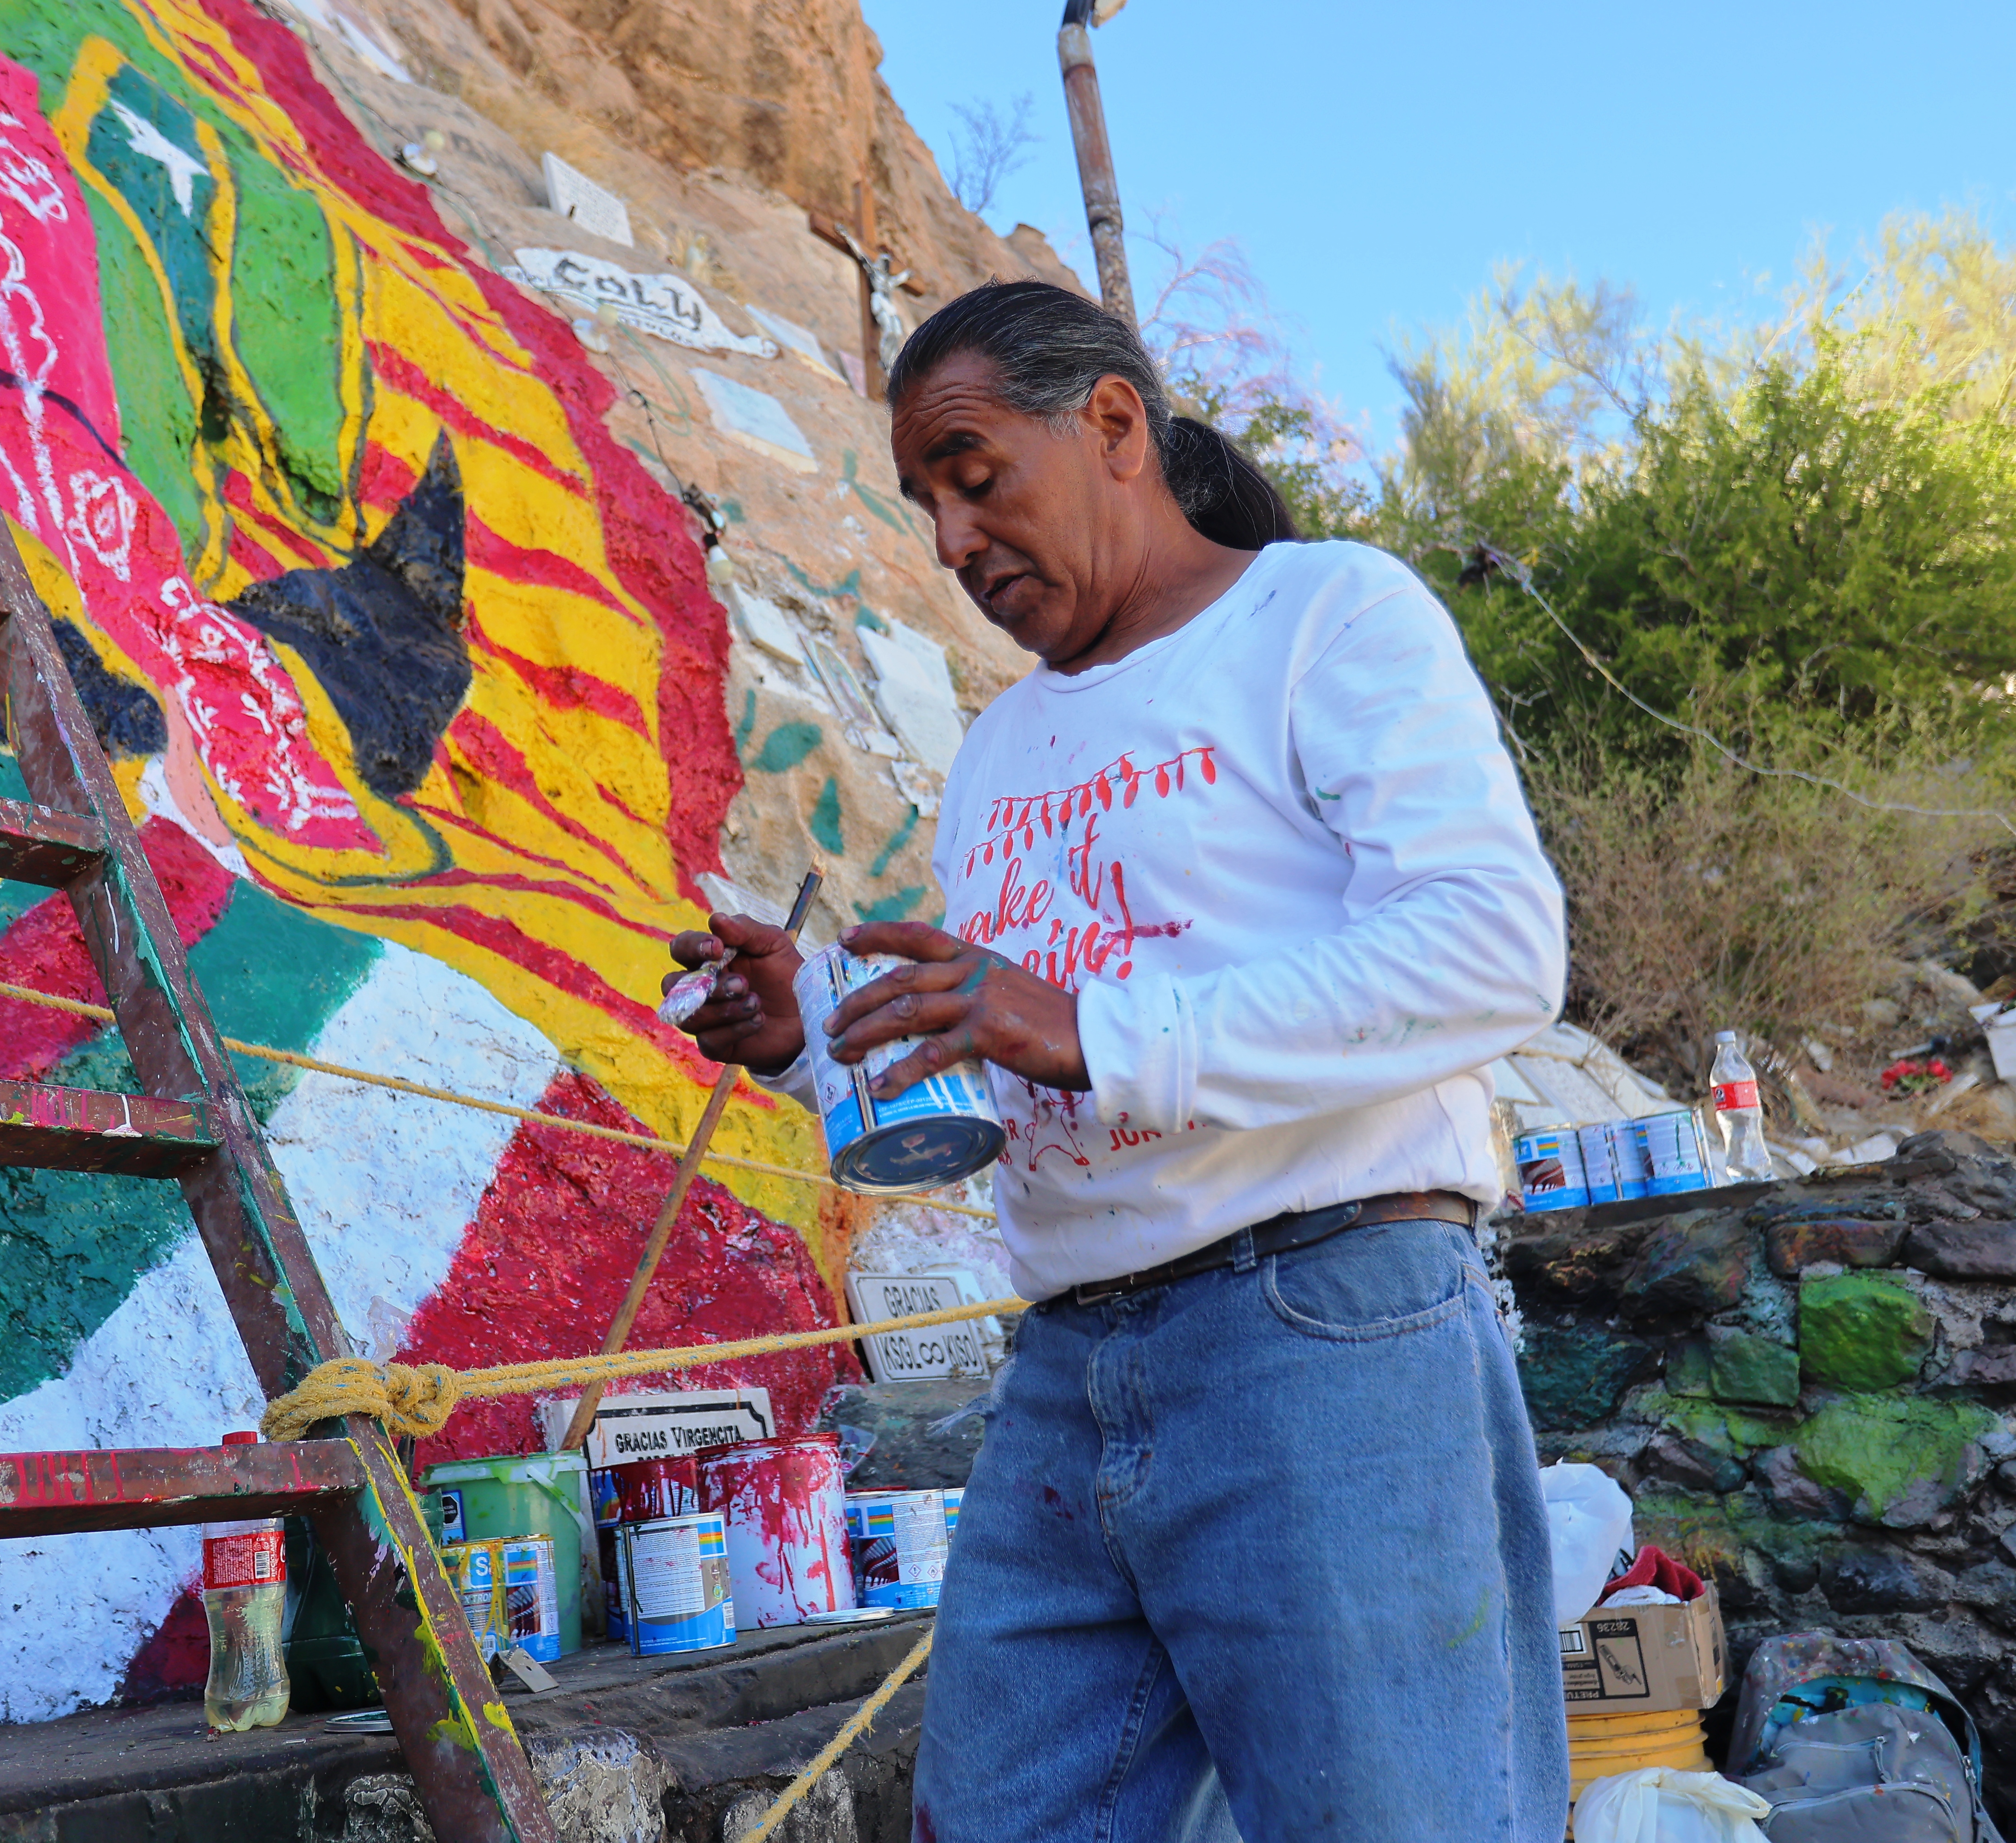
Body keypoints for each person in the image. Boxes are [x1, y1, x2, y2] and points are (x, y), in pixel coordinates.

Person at [662, 279, 1569, 1840]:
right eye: (926, 503)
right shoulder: (1005, 745)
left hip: (1321, 1323)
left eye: (974, 473)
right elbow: (1026, 1070)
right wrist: (812, 1038)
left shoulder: (1327, 614)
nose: (950, 542)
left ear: (1113, 425)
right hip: (1073, 1365)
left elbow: (1495, 950)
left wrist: (1094, 1029)